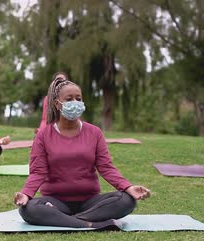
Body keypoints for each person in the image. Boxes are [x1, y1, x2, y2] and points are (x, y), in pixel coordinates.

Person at [14, 78, 151, 230]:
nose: (75, 102)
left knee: (126, 200)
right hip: (56, 202)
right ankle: (90, 224)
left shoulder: (95, 132)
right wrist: (26, 194)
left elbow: (106, 167)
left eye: (78, 99)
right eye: (69, 99)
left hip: (90, 202)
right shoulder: (43, 135)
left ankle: (69, 221)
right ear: (56, 103)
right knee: (29, 209)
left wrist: (128, 187)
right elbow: (38, 172)